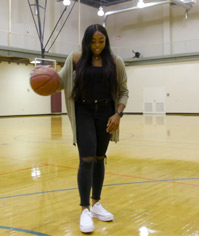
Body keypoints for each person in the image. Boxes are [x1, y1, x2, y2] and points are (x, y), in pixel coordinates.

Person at [56, 24, 129, 233]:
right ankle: (84, 209)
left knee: (99, 158)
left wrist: (118, 114)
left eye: (101, 41)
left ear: (106, 41)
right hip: (84, 111)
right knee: (86, 159)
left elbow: (124, 92)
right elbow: (60, 81)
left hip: (106, 113)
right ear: (86, 41)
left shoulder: (116, 62)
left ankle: (96, 204)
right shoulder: (76, 58)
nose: (97, 46)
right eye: (93, 41)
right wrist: (45, 77)